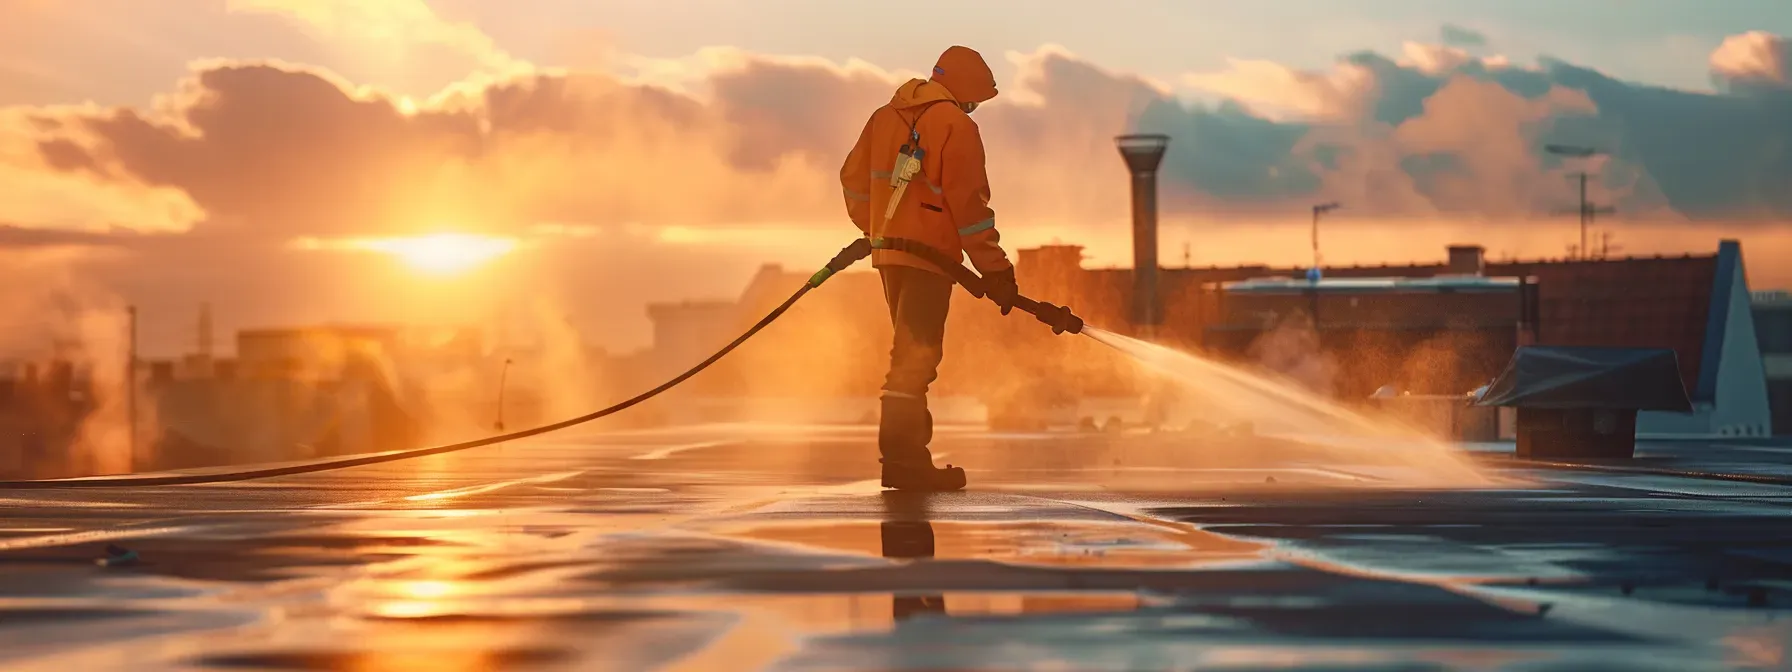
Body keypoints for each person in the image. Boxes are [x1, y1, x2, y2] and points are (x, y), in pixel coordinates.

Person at [839, 45, 1019, 492]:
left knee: (910, 354)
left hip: (891, 257)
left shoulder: (884, 117)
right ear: (962, 92)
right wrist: (995, 269)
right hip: (930, 258)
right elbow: (970, 206)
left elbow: (852, 178)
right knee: (915, 359)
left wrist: (877, 225)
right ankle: (903, 462)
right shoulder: (956, 125)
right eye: (975, 100)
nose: (974, 108)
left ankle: (905, 458)